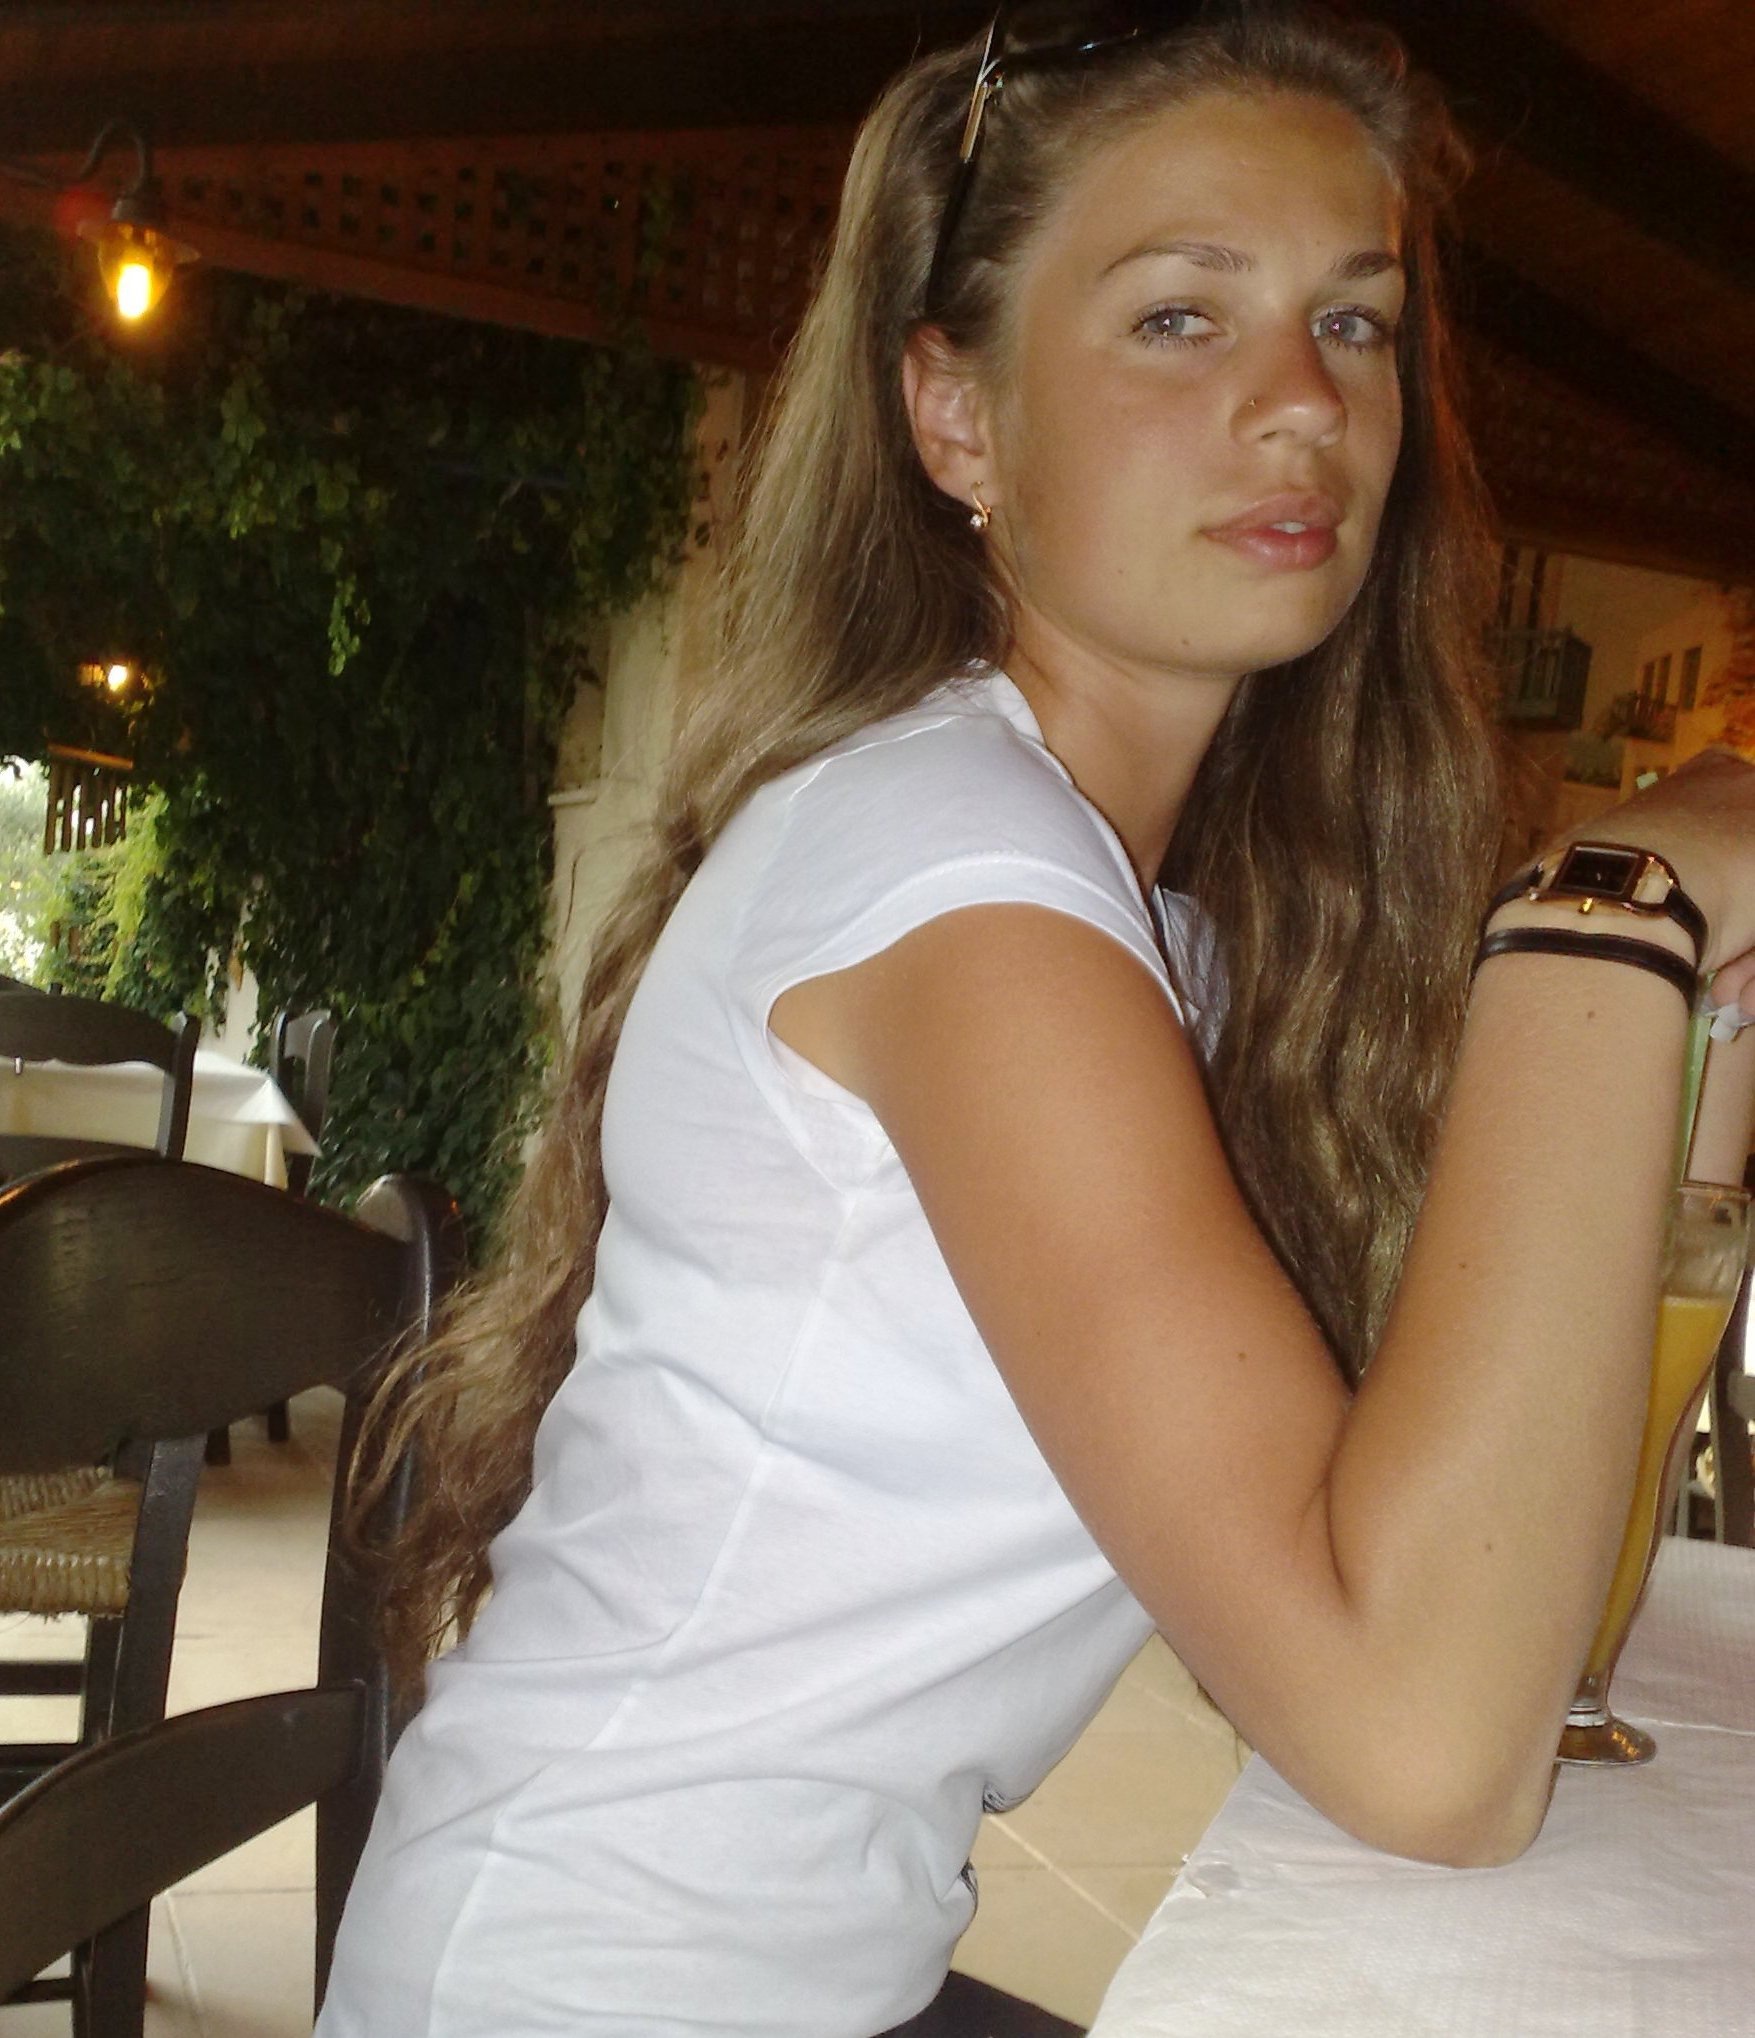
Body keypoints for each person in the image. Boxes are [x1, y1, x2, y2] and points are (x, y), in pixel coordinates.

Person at [316, 5, 1755, 2035]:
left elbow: (1527, 1565)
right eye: (1179, 316)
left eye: (1352, 323)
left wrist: (1695, 994)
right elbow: (1424, 1738)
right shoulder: (958, 878)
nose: (1302, 404)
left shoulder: (1153, 928)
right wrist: (1618, 897)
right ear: (956, 417)